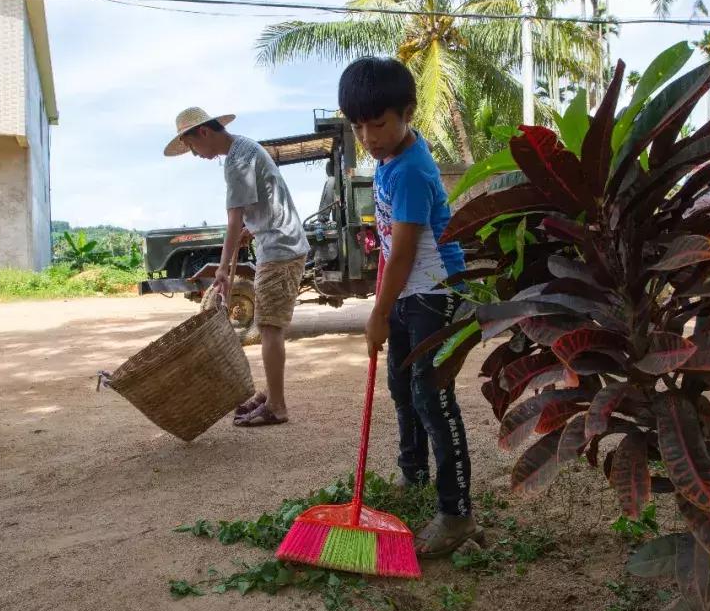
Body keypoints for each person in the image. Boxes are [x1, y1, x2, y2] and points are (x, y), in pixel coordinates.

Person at [337, 57, 480, 558]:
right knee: (403, 386)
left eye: (378, 124)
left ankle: (456, 512)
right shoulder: (386, 161)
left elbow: (403, 253)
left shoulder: (414, 171)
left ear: (408, 113)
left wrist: (377, 314)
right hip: (407, 292)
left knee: (432, 399)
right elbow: (391, 241)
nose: (369, 136)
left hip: (435, 294)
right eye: (358, 126)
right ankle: (413, 474)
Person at [164, 107, 309, 427]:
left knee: (269, 327)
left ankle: (277, 406)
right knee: (269, 324)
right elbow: (258, 208)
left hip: (280, 248)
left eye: (190, 146)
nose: (194, 154)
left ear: (203, 133)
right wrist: (251, 230)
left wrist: (221, 269)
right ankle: (271, 394)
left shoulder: (237, 160)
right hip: (279, 242)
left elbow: (233, 218)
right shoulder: (245, 148)